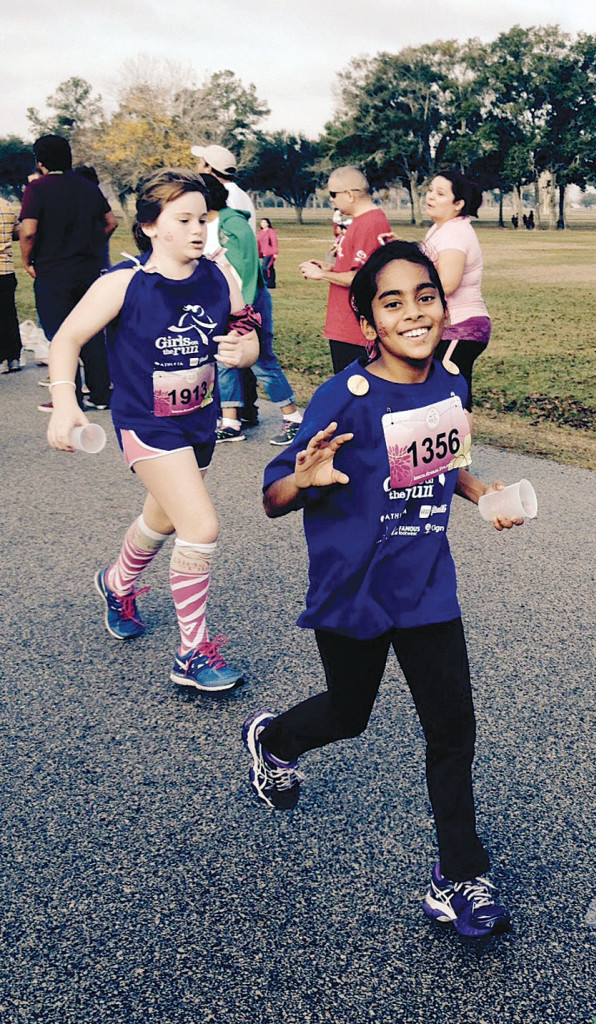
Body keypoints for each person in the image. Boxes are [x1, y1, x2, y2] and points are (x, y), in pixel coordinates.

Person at [244, 240, 524, 939]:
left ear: (442, 305)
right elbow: (276, 494)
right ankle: (273, 739)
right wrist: (301, 481)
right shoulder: (347, 395)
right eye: (391, 302)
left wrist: (480, 489)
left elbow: (445, 455)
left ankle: (458, 876)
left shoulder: (452, 385)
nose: (413, 313)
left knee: (453, 730)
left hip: (426, 584)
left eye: (424, 296)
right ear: (368, 323)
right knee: (348, 713)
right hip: (355, 588)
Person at [45, 169, 260, 691]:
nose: (197, 230)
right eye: (182, 220)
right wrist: (64, 404)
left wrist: (244, 349)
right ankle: (192, 654)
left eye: (202, 219)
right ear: (149, 226)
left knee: (162, 517)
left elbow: (247, 330)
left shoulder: (219, 276)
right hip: (146, 424)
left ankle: (117, 584)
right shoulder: (123, 282)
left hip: (199, 421)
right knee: (200, 526)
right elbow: (66, 339)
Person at [200, 175, 302, 447]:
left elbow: (247, 272)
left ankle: (293, 418)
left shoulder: (232, 224)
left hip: (247, 304)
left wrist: (241, 315)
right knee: (225, 359)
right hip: (221, 304)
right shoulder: (201, 225)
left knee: (261, 361)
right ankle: (231, 422)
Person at [19, 135, 118, 412]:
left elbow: (28, 230)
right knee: (92, 331)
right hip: (87, 270)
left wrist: (28, 261)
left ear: (40, 161)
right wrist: (91, 243)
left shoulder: (37, 189)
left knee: (61, 335)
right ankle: (101, 393)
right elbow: (111, 222)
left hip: (53, 270)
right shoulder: (88, 187)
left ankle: (69, 397)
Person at [299, 166, 392, 374]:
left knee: (357, 393)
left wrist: (322, 275)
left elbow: (364, 276)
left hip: (354, 329)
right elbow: (355, 266)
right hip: (343, 326)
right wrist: (331, 268)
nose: (331, 200)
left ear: (350, 194)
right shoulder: (359, 222)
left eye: (333, 194)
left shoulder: (371, 223)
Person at [423, 170, 491, 412]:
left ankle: (461, 451)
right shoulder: (441, 229)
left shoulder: (454, 233)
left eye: (440, 193)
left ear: (458, 204)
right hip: (449, 326)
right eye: (430, 190)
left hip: (464, 327)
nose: (430, 196)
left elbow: (448, 283)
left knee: (453, 398)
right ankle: (451, 449)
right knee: (445, 394)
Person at [191, 144, 256, 231]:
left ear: (208, 169)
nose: (197, 167)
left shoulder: (222, 197)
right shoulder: (243, 195)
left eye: (200, 163)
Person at [0, 194, 23, 373]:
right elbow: (18, 233)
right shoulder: (7, 206)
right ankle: (13, 357)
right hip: (6, 270)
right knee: (8, 314)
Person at [257, 217, 278, 289]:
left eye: (264, 222)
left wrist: (275, 252)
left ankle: (268, 282)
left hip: (269, 252)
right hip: (262, 252)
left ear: (268, 224)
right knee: (270, 267)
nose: (263, 224)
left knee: (265, 267)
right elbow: (258, 242)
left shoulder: (270, 231)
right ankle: (272, 283)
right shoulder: (260, 232)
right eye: (262, 222)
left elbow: (274, 241)